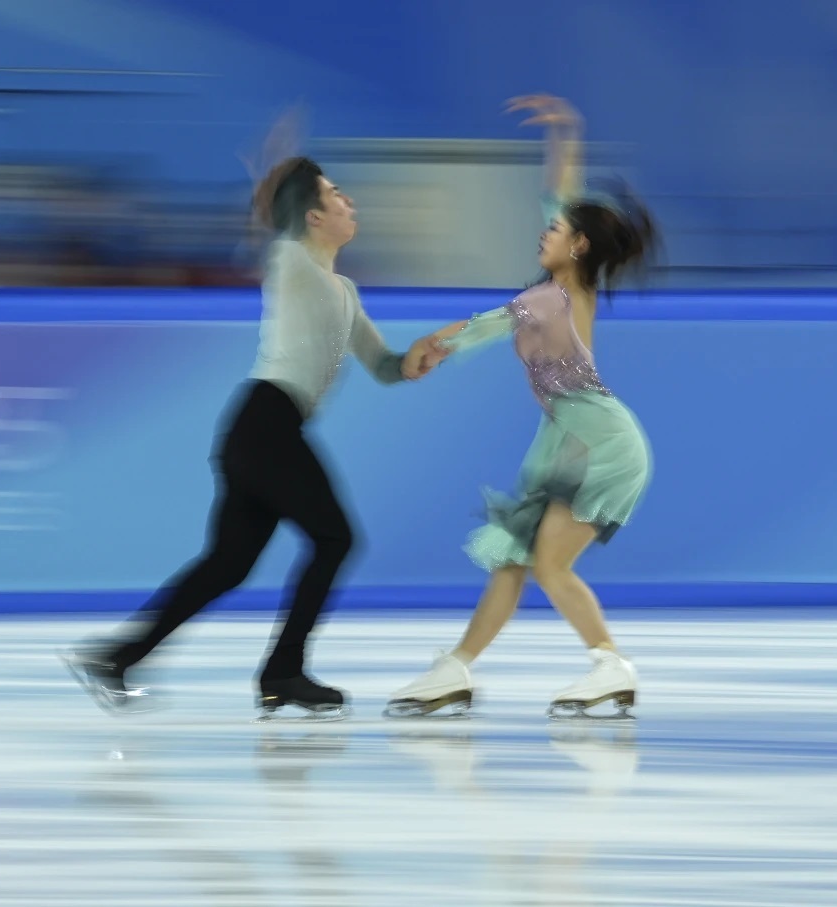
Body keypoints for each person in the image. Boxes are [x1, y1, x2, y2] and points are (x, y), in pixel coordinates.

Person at [64, 153, 440, 720]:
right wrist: (273, 186)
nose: (349, 201)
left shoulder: (345, 291)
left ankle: (119, 657)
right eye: (335, 193)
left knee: (229, 564)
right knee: (334, 539)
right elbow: (276, 227)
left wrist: (415, 360)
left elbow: (384, 367)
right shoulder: (291, 261)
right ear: (312, 216)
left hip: (261, 430)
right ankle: (282, 671)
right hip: (266, 424)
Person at [386, 95, 658, 720]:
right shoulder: (568, 286)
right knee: (513, 559)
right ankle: (455, 668)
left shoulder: (549, 299)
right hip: (570, 440)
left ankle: (611, 664)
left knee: (549, 564)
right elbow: (559, 199)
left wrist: (428, 346)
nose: (545, 231)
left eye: (556, 231)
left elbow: (483, 326)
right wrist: (566, 133)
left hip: (599, 445)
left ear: (578, 245)